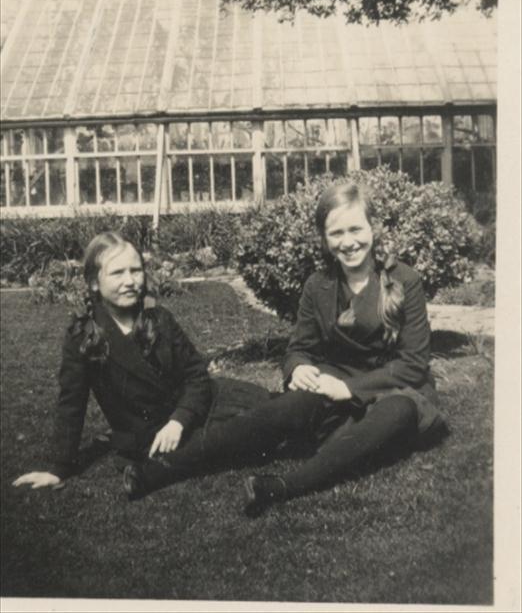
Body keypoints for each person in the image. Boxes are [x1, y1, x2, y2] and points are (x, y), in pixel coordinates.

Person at [122, 181, 447, 515]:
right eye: (336, 233)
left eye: (355, 229)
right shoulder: (318, 285)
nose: (348, 242)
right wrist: (299, 367)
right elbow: (298, 348)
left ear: (373, 228)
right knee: (286, 407)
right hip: (333, 392)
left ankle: (281, 487)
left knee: (397, 412)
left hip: (396, 392)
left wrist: (348, 388)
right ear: (323, 238)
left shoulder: (404, 280)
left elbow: (413, 363)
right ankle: (161, 469)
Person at [12, 231, 270, 491]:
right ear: (93, 283)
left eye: (135, 271)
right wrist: (59, 468)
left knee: (270, 406)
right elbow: (71, 403)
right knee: (255, 432)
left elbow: (197, 375)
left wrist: (178, 420)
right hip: (149, 436)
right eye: (117, 273)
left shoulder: (158, 318)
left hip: (195, 409)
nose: (129, 281)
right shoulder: (85, 335)